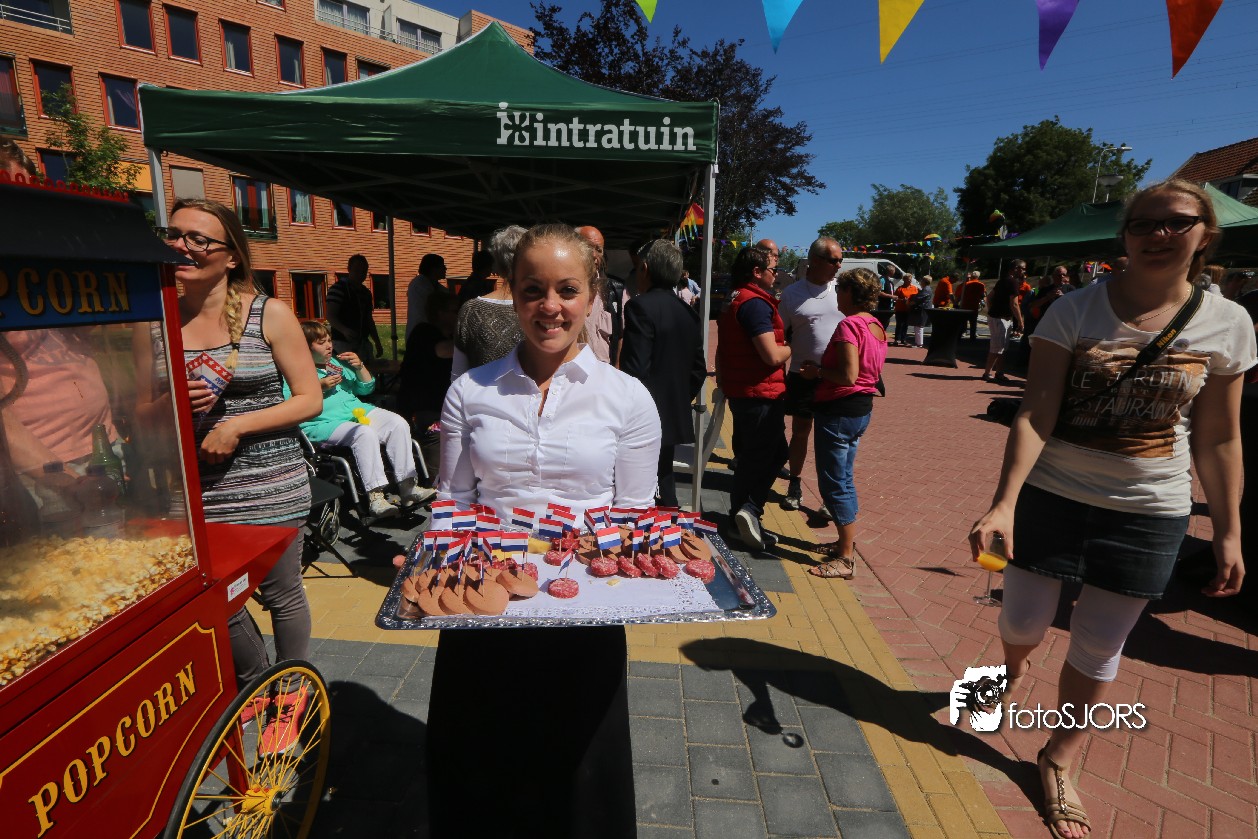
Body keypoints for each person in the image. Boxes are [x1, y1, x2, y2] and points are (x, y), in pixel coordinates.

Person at [969, 179, 1255, 839]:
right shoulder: (1075, 308)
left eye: (1176, 222)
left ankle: (1059, 756)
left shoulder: (1229, 323)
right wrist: (1004, 503)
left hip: (1150, 510)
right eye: (1143, 223)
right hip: (1051, 496)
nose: (1158, 234)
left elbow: (1219, 437)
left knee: (1100, 643)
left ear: (1205, 234)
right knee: (1021, 619)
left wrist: (1229, 531)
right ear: (1124, 235)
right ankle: (1012, 667)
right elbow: (1036, 412)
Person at [431, 223, 659, 839]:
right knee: (483, 758)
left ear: (592, 296)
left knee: (578, 766)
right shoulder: (470, 390)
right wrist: (435, 570)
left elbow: (633, 515)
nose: (549, 306)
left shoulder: (628, 397)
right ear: (513, 293)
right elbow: (453, 500)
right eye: (533, 289)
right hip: (487, 598)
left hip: (583, 607)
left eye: (567, 289)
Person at [161, 198, 321, 754]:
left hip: (269, 484)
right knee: (215, 601)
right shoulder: (158, 314)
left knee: (281, 594)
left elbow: (308, 398)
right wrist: (168, 402)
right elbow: (134, 410)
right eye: (173, 233)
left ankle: (292, 693)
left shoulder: (268, 314)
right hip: (193, 491)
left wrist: (237, 425)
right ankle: (258, 682)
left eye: (198, 239)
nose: (181, 246)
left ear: (231, 257)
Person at [289, 321, 434, 518]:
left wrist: (360, 367)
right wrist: (319, 386)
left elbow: (366, 389)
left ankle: (408, 487)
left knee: (397, 423)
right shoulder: (295, 370)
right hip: (322, 422)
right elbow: (292, 402)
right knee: (364, 433)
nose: (329, 346)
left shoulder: (336, 364)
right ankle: (376, 498)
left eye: (330, 340)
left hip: (356, 412)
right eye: (321, 343)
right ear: (305, 347)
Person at [799, 267, 888, 579]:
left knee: (834, 482)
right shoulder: (875, 325)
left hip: (839, 409)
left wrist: (817, 372)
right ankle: (843, 543)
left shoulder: (850, 325)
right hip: (860, 409)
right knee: (844, 478)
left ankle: (846, 557)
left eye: (839, 290)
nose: (836, 295)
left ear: (850, 292)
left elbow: (849, 375)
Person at [620, 239, 706, 508]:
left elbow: (635, 369)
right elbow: (699, 370)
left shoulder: (640, 307)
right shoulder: (687, 313)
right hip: (672, 414)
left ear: (644, 269)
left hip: (642, 417)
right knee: (664, 477)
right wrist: (677, 398)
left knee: (640, 483)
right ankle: (670, 519)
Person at [716, 244, 790, 551]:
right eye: (773, 269)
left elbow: (723, 347)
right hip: (760, 392)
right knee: (766, 456)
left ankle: (743, 516)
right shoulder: (755, 304)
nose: (776, 274)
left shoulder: (735, 298)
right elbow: (771, 355)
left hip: (744, 389)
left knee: (757, 456)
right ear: (757, 272)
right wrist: (793, 345)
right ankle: (748, 511)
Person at [777, 237, 844, 512]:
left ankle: (831, 495)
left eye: (840, 260)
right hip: (802, 377)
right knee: (801, 432)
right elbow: (779, 336)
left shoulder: (842, 291)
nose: (839, 265)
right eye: (834, 260)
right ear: (815, 260)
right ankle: (794, 484)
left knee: (832, 439)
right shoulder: (792, 294)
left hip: (835, 378)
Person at [450, 225, 526, 379]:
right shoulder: (544, 308)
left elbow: (458, 377)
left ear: (497, 263)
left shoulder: (470, 310)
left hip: (479, 391)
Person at [575, 225, 625, 364]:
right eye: (588, 247)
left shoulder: (614, 291)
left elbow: (620, 335)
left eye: (599, 250)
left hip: (603, 370)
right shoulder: (561, 288)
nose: (594, 255)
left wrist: (615, 369)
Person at [326, 254, 383, 370]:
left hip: (362, 343)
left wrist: (377, 342)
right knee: (344, 375)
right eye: (357, 271)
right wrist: (344, 330)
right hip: (342, 343)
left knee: (366, 374)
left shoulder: (366, 293)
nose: (360, 274)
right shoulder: (338, 289)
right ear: (349, 269)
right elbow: (330, 315)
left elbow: (369, 319)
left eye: (364, 271)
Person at [981, 261, 1025, 383]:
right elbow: (1014, 304)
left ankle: (999, 372)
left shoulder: (1003, 281)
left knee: (1002, 348)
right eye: (1022, 268)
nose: (1023, 271)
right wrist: (1020, 321)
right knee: (997, 348)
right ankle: (987, 373)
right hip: (1000, 318)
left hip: (1000, 317)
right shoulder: (1013, 282)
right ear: (1015, 268)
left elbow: (989, 297)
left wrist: (992, 310)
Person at [405, 253, 446, 341]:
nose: (445, 269)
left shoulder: (435, 286)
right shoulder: (419, 284)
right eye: (442, 266)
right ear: (433, 268)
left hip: (429, 332)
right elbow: (435, 306)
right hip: (419, 334)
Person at [958, 270, 987, 339]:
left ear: (971, 276)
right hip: (974, 306)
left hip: (965, 305)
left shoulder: (966, 284)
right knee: (973, 322)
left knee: (963, 321)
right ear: (978, 277)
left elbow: (960, 295)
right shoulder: (981, 285)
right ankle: (972, 336)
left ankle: (962, 334)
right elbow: (983, 295)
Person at [892, 273, 916, 346]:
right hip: (900, 309)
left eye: (910, 279)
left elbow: (916, 297)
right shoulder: (900, 288)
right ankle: (896, 339)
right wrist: (902, 300)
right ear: (904, 280)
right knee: (899, 324)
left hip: (908, 309)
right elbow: (895, 298)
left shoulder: (914, 288)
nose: (910, 281)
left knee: (906, 324)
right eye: (908, 279)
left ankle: (903, 339)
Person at [909, 276, 933, 348]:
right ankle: (917, 342)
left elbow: (917, 298)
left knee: (919, 326)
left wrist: (910, 302)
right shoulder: (926, 289)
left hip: (922, 309)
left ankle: (919, 343)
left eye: (921, 280)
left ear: (924, 282)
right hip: (922, 309)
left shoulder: (926, 289)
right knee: (917, 326)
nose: (920, 281)